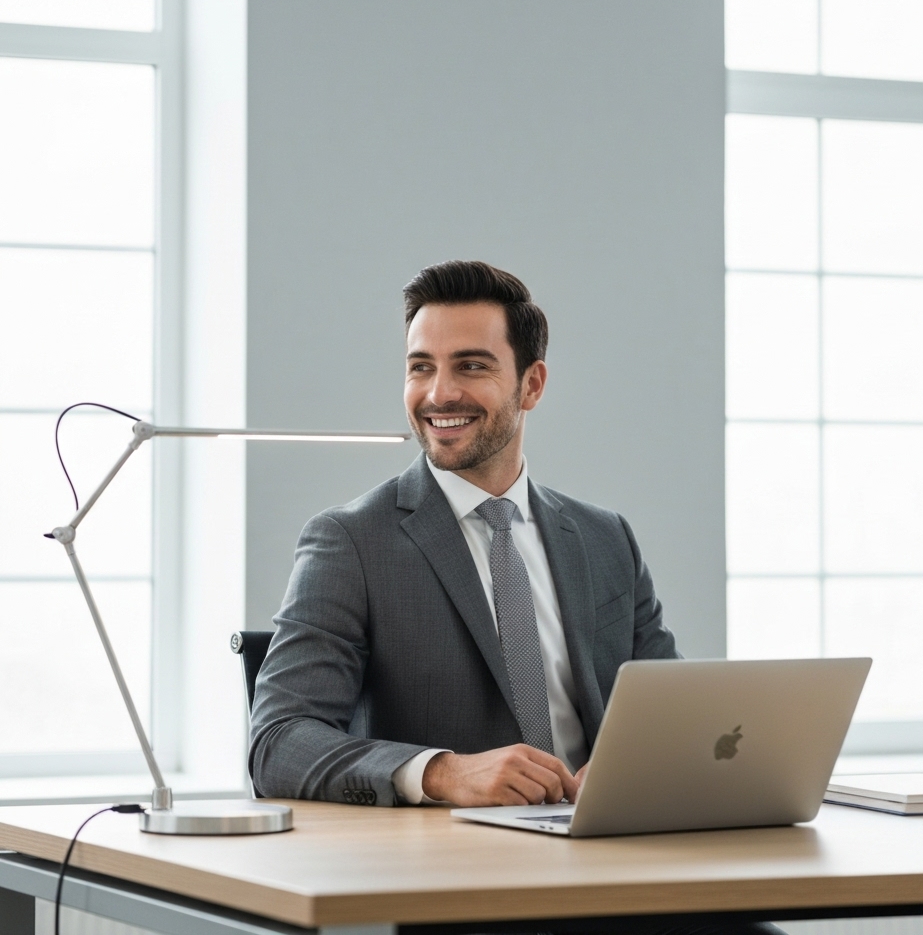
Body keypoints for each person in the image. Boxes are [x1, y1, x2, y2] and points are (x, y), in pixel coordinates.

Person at [249, 261, 785, 935]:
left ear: (531, 384)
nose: (438, 392)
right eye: (420, 367)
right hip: (463, 891)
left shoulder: (602, 537)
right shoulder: (351, 541)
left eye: (471, 366)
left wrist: (630, 770)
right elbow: (277, 741)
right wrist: (443, 773)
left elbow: (668, 711)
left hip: (618, 874)